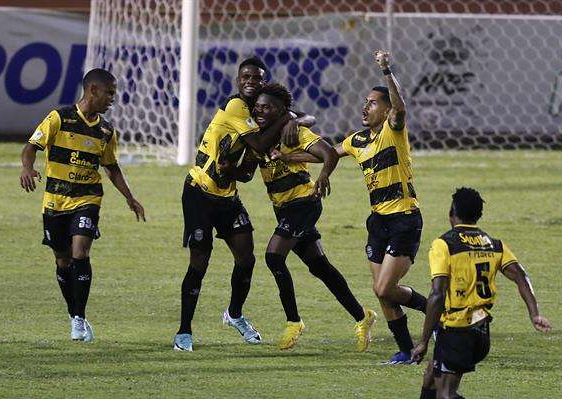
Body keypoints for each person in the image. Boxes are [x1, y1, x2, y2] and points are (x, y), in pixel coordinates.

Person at [272, 51, 427, 363]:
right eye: (365, 102)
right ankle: (405, 350)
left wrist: (386, 69)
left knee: (385, 288)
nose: (365, 107)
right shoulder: (357, 140)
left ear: (385, 111)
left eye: (372, 103)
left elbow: (400, 106)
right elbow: (326, 153)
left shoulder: (393, 130)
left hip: (404, 218)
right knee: (381, 291)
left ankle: (433, 308)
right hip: (378, 222)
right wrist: (289, 157)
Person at [175, 57, 313, 352]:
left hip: (227, 196)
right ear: (238, 80)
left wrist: (293, 119)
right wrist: (287, 119)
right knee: (199, 263)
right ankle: (184, 331)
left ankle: (234, 314)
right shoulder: (236, 106)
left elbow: (307, 118)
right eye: (245, 76)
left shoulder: (260, 112)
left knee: (246, 259)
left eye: (257, 77)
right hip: (199, 191)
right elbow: (262, 145)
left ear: (264, 82)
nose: (250, 81)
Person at [232, 83, 377, 351]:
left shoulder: (295, 133)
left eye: (267, 107)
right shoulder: (257, 139)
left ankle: (293, 321)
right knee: (320, 267)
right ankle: (362, 317)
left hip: (304, 203)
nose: (260, 111)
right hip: (284, 209)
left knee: (274, 256)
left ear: (281, 111)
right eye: (258, 107)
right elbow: (245, 173)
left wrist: (323, 176)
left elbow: (329, 153)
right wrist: (225, 164)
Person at [19, 68, 146, 342]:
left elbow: (111, 168)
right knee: (63, 261)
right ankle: (74, 313)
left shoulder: (106, 131)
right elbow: (31, 147)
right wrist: (27, 169)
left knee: (81, 252)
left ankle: (79, 318)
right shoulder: (59, 118)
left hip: (87, 198)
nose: (112, 99)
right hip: (55, 200)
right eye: (109, 93)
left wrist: (129, 197)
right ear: (93, 91)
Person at [411, 187, 552, 399]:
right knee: (430, 377)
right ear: (478, 215)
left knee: (446, 394)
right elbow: (521, 276)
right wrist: (535, 314)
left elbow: (437, 294)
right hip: (481, 332)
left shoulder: (445, 244)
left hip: (458, 332)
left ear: (452, 213)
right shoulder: (494, 244)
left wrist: (423, 341)